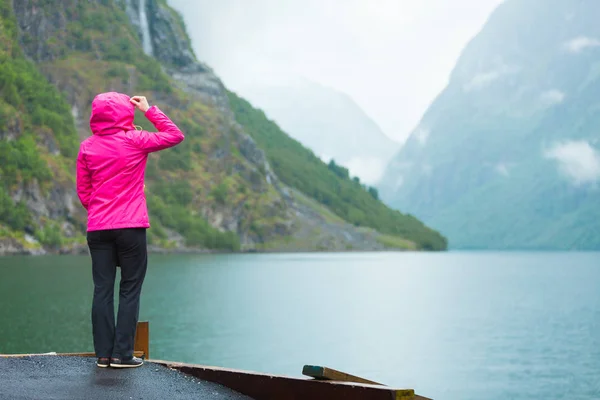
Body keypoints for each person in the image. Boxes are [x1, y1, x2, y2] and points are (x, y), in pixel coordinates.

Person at [76, 92, 184, 368]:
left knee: (102, 290)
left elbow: (83, 190)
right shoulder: (135, 140)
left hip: (98, 228)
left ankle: (103, 356)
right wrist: (149, 110)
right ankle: (123, 355)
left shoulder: (87, 146)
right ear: (126, 112)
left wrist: (100, 211)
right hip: (131, 226)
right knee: (130, 289)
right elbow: (174, 135)